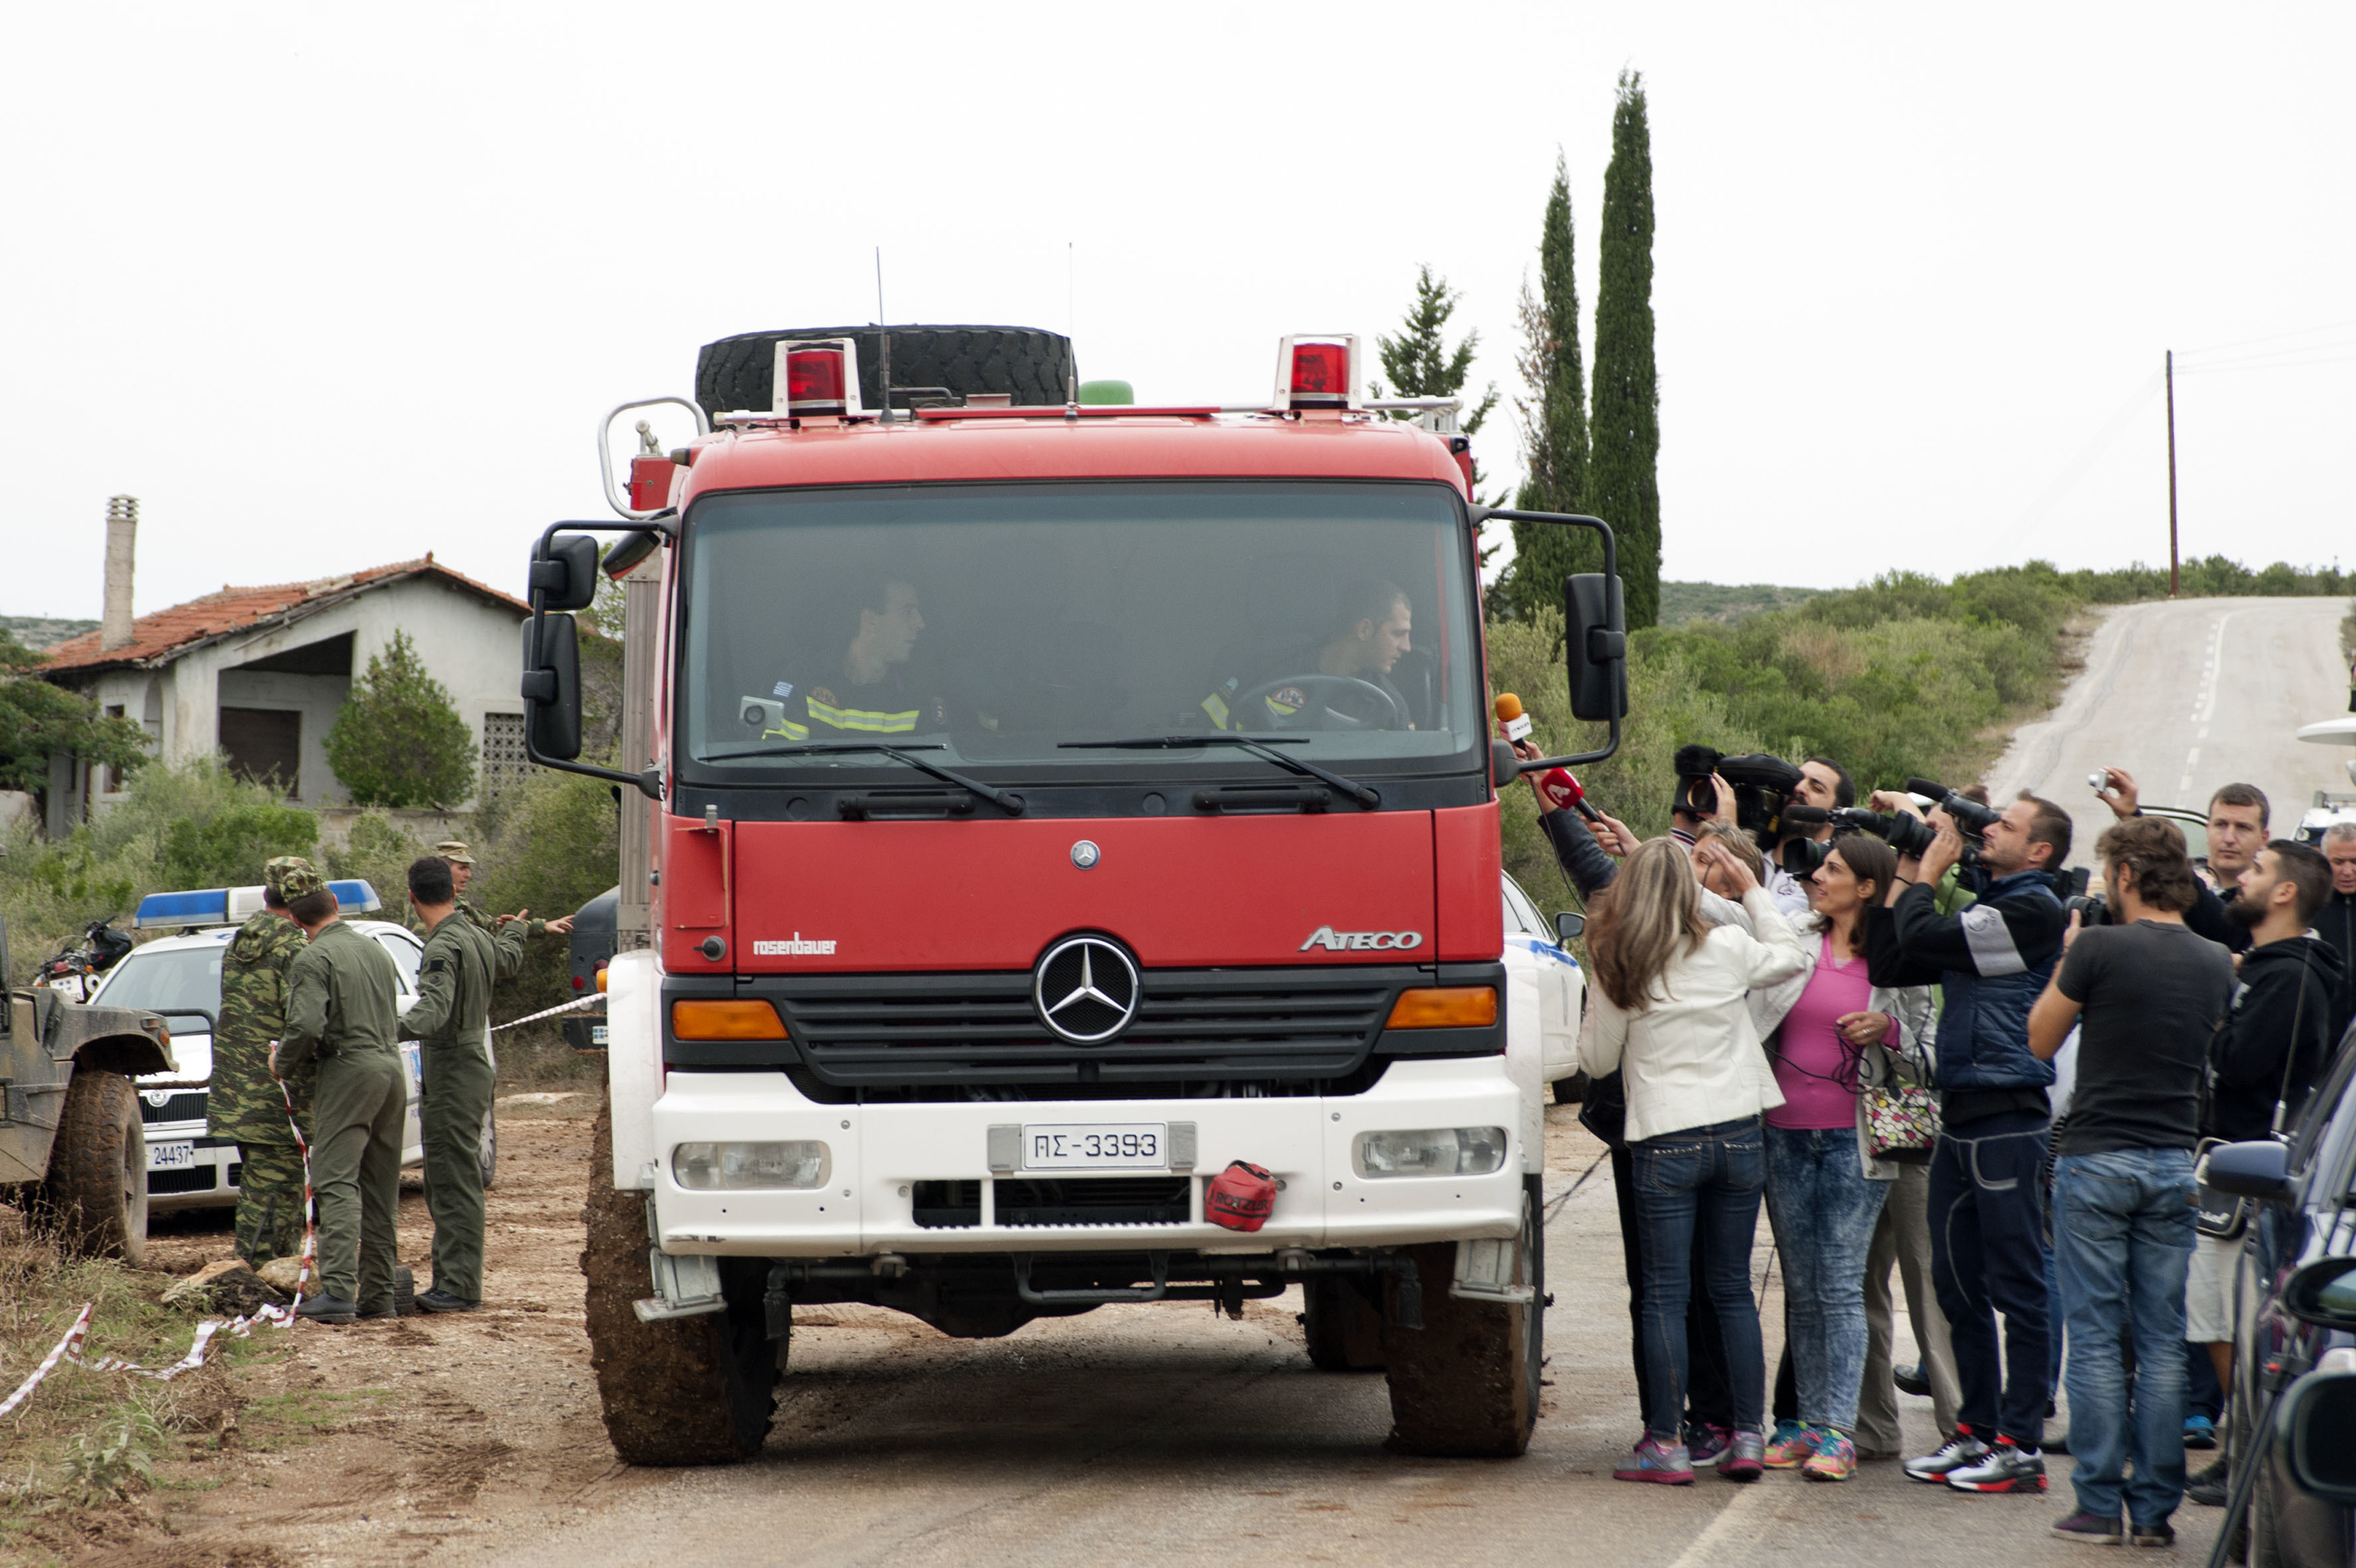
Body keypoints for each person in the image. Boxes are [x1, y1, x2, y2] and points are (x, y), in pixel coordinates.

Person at [1518, 750, 1748, 1466]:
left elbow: (1593, 1060)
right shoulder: (1740, 937)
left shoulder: (1676, 941)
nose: (1691, 859)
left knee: (1678, 1290)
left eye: (1705, 853)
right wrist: (1557, 799)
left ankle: (1682, 1431)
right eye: (1685, 847)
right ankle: (1727, 1429)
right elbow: (1600, 875)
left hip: (1657, 1137)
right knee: (1703, 1287)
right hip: (1726, 1133)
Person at [2027, 815, 2236, 1546]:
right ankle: (2153, 1512)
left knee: (2092, 1338)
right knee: (2160, 1339)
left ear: (2123, 875)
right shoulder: (2216, 959)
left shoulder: (2101, 948)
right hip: (2175, 1161)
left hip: (2097, 1155)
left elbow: (2042, 1039)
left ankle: (2096, 1501)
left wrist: (2070, 961)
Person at [1581, 835, 1809, 1485]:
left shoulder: (1619, 962)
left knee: (1664, 1295)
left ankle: (1665, 1444)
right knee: (1732, 1290)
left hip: (1666, 1137)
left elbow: (1595, 1061)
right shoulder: (1729, 947)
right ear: (1691, 891)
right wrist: (1757, 889)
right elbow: (1790, 955)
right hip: (1739, 1132)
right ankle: (1746, 1436)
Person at [1867, 789, 2071, 1494]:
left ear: (2039, 850)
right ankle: (1975, 1433)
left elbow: (1922, 935)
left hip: (2008, 1113)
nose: (1990, 832)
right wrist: (1904, 860)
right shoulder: (1992, 904)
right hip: (1960, 1113)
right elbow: (1891, 959)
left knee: (2016, 1285)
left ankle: (2021, 1445)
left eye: (2006, 827)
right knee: (1956, 1284)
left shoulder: (2031, 910)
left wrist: (1927, 872)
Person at [1749, 835, 1938, 1482]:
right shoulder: (1794, 939)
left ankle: (1840, 1431)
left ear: (1865, 887)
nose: (1816, 877)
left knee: (1839, 1283)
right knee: (1802, 1288)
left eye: (1832, 869)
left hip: (1856, 1138)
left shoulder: (1897, 959)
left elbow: (1928, 1052)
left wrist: (1888, 1030)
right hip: (1782, 1133)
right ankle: (1804, 1424)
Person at [2182, 841, 2340, 1507]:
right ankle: (2242, 1451)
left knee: (2228, 1319)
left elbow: (2242, 1064)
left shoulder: (2289, 977)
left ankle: (2249, 1455)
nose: (2238, 878)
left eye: (2255, 872)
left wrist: (2213, 1016)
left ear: (2284, 894)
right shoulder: (2274, 967)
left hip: (2248, 1176)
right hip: (2237, 1169)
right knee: (2214, 1318)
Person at [275, 873, 408, 1323]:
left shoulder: (313, 959)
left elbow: (308, 1026)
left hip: (350, 1072)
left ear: (295, 919)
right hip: (392, 1069)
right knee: (381, 1188)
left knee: (335, 1180)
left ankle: (337, 1291)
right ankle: (379, 1295)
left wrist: (282, 1064)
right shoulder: (376, 948)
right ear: (335, 902)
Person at [400, 855, 502, 1314]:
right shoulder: (475, 934)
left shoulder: (442, 945)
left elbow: (432, 1013)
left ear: (412, 897)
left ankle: (458, 1286)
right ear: (452, 890)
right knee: (453, 1175)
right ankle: (455, 1280)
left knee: (451, 1178)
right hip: (470, 1061)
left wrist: (375, 1028)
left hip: (454, 1067)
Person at [210, 855, 321, 1266]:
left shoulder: (242, 941)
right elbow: (303, 1023)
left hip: (239, 1090)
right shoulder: (293, 947)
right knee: (277, 1193)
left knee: (262, 1188)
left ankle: (267, 1270)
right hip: (278, 1094)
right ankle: (260, 1278)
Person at [1208, 578, 1417, 731]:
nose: (1406, 647)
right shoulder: (1266, 668)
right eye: (1398, 634)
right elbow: (1212, 735)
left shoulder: (1391, 707)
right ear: (1364, 630)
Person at [2093, 770, 2267, 954]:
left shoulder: (2267, 897)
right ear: (2207, 830)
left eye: (2243, 828)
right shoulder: (2179, 870)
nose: (2229, 838)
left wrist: (2134, 816)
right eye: (2221, 825)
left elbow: (2225, 928)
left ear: (2264, 838)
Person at [755, 575, 944, 742]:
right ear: (870, 619)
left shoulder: (920, 691)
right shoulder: (802, 678)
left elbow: (935, 773)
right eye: (908, 612)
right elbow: (783, 770)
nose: (921, 623)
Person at [410, 842, 571, 946]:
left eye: (469, 868)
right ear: (445, 871)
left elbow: (489, 925)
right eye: (462, 868)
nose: (468, 875)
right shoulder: (429, 899)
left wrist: (541, 926)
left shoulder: (443, 899)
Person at [2316, 823, 2356, 1045]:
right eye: (2339, 862)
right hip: (2322, 1040)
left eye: (2355, 862)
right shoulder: (2308, 907)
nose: (2348, 871)